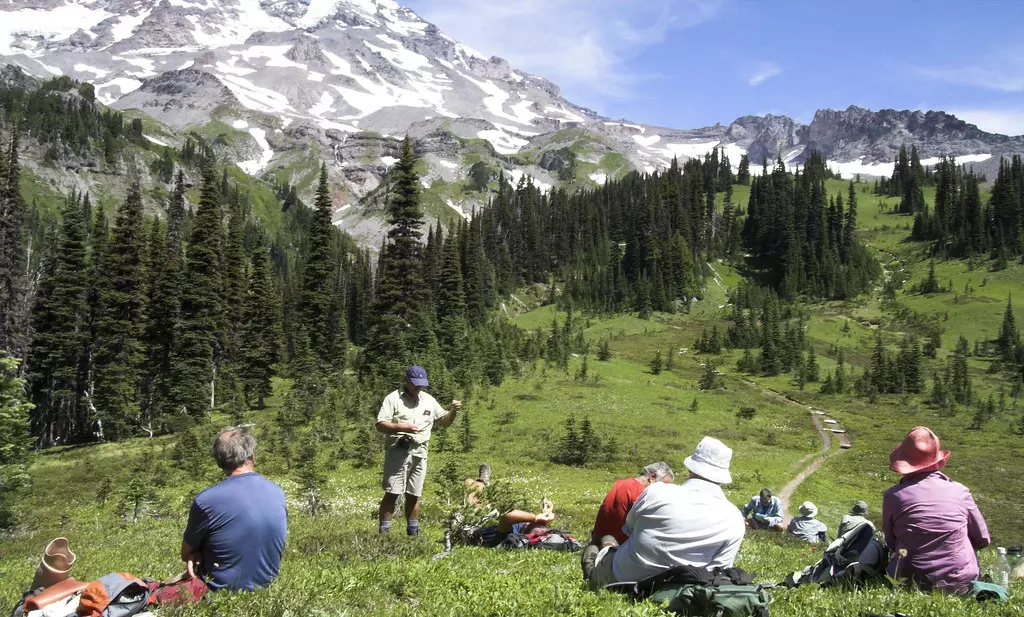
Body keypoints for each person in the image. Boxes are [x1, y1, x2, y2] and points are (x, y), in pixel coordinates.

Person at [586, 437, 745, 588]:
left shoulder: (655, 492)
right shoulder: (735, 518)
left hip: (624, 579)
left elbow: (630, 529)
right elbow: (719, 568)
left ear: (691, 467)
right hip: (680, 590)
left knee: (602, 548)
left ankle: (597, 560)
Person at [178, 427, 288, 595]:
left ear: (219, 461)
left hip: (218, 594)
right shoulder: (277, 492)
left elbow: (186, 553)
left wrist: (196, 554)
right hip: (267, 590)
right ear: (252, 456)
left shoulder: (206, 500)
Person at [882, 426, 991, 594]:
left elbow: (891, 542)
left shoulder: (892, 496)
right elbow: (982, 539)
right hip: (960, 583)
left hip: (909, 581)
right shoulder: (960, 491)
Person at [376, 365, 461, 536]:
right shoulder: (393, 399)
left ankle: (413, 532)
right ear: (406, 381)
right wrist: (402, 427)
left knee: (414, 494)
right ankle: (384, 532)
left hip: (420, 452)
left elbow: (444, 422)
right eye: (415, 384)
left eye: (421, 384)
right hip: (398, 451)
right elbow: (380, 424)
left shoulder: (428, 400)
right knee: (392, 493)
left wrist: (453, 411)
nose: (418, 387)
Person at [581, 462, 674, 579]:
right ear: (652, 478)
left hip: (598, 542)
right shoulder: (640, 492)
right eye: (664, 486)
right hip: (617, 551)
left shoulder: (621, 484)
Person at [475, 499, 556, 548]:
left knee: (473, 484)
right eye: (544, 525)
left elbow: (509, 516)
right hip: (492, 517)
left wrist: (535, 518)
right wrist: (547, 512)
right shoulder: (523, 527)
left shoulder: (510, 536)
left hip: (477, 523)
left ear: (528, 524)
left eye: (538, 523)